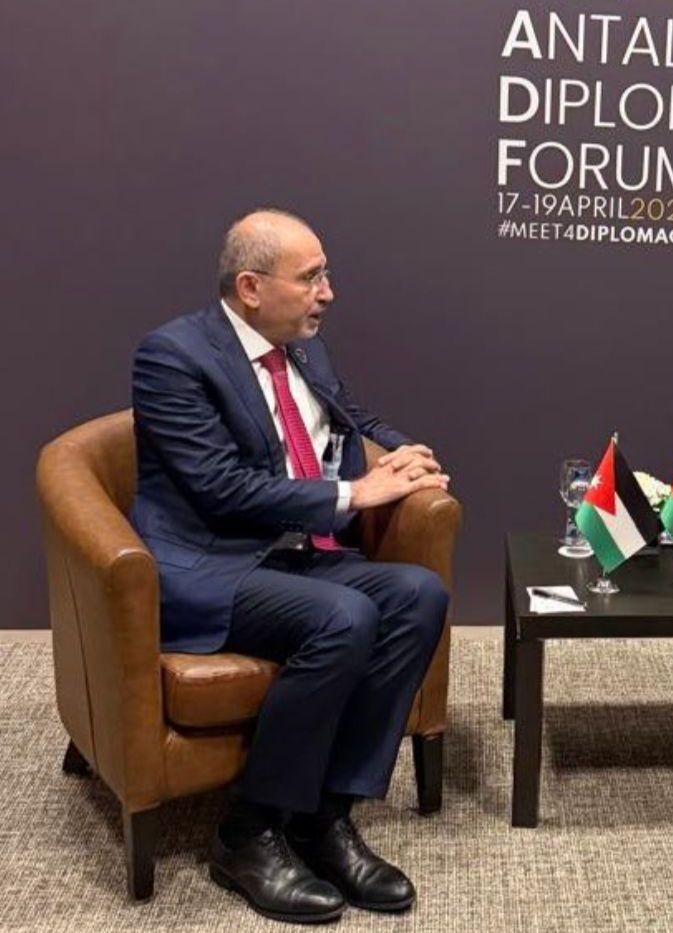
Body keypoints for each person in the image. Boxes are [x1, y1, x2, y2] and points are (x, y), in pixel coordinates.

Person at [130, 208, 451, 923]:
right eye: (310, 278)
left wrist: (402, 452)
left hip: (295, 553)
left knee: (420, 595)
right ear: (250, 287)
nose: (327, 292)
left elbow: (349, 416)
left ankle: (324, 816)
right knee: (345, 615)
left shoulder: (303, 347)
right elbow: (219, 488)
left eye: (325, 275)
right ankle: (248, 833)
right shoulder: (172, 357)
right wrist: (354, 493)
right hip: (212, 564)